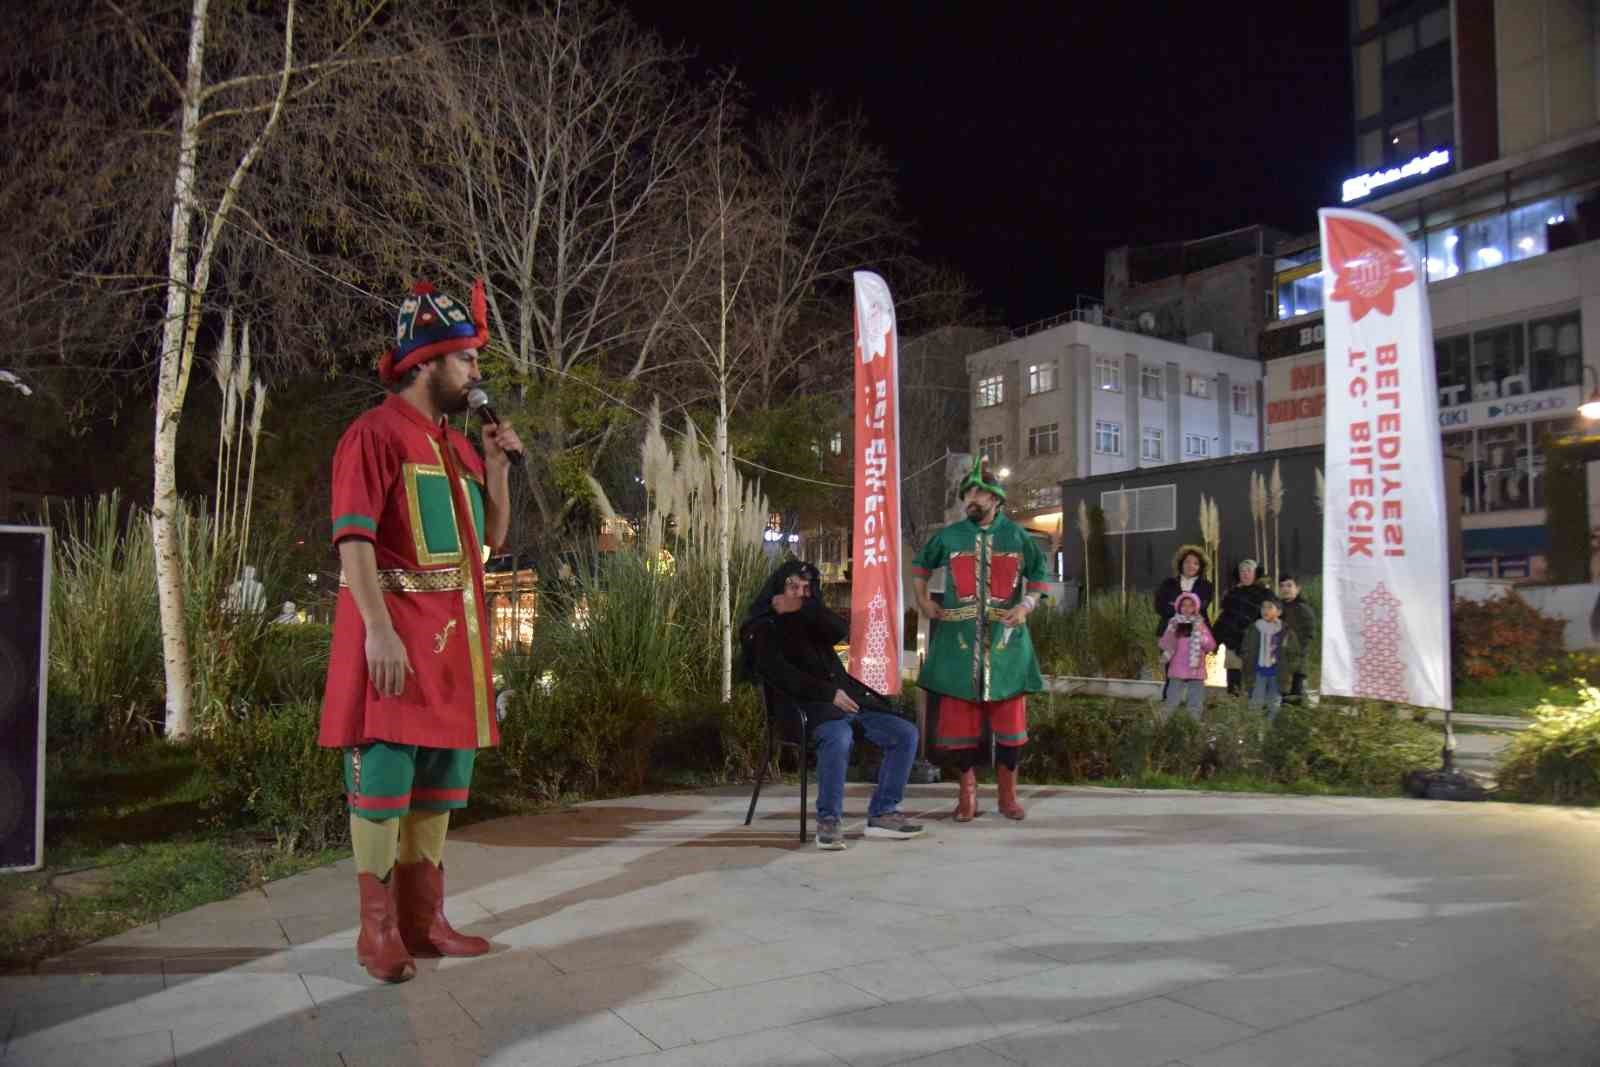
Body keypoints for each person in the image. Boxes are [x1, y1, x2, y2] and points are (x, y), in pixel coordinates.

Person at [318, 278, 523, 984]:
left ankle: (424, 920)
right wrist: (376, 628)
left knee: (438, 785)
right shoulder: (371, 436)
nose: (474, 373)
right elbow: (354, 538)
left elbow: (491, 538)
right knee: (383, 781)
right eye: (465, 359)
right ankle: (375, 932)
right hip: (397, 635)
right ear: (426, 362)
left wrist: (496, 469)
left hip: (453, 648)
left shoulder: (460, 446)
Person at [740, 560, 925, 851]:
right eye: (792, 587)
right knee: (840, 737)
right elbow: (781, 675)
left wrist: (803, 608)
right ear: (777, 588)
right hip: (806, 711)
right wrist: (828, 694)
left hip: (850, 704)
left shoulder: (811, 617)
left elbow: (839, 629)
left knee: (905, 733)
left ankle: (883, 813)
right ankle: (828, 821)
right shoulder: (763, 626)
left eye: (806, 588)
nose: (800, 593)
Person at [912, 456, 1048, 822]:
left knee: (1011, 729)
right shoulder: (950, 535)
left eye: (977, 493)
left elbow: (1038, 576)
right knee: (960, 729)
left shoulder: (1018, 537)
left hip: (1006, 644)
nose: (969, 499)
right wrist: (923, 600)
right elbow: (921, 565)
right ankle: (967, 796)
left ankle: (1008, 796)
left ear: (995, 498)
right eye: (967, 493)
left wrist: (1026, 606)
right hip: (958, 644)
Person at [1214, 559, 1269, 695]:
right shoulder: (1232, 594)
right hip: (1233, 644)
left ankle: (1254, 712)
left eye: (1248, 570)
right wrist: (1214, 640)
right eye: (1242, 571)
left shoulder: (1266, 594)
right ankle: (1233, 709)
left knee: (1255, 682)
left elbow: (1272, 618)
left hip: (1255, 645)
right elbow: (1223, 619)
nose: (1245, 573)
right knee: (1233, 682)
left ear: (1255, 573)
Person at [1158, 591, 1215, 717]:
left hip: (1196, 668)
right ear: (1179, 607)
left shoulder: (1200, 624)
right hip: (1177, 667)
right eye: (1184, 605)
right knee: (1171, 700)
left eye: (1191, 605)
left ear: (1196, 607)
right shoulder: (1174, 623)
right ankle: (1166, 726)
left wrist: (1202, 636)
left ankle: (1193, 728)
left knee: (1195, 702)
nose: (1187, 608)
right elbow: (1164, 644)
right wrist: (1171, 631)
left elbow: (1210, 645)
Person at [1154, 545, 1214, 638]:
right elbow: (1159, 607)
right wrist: (1186, 609)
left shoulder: (1206, 586)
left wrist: (1174, 605)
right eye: (1187, 562)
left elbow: (1200, 607)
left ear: (1201, 567)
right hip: (1169, 634)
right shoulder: (1168, 583)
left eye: (1196, 563)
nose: (1191, 566)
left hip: (1197, 634)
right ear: (1181, 564)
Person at [1242, 596, 1285, 716]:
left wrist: (1288, 667)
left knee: (1274, 704)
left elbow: (1292, 652)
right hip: (1258, 672)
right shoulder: (1254, 628)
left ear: (1279, 612)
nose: (1265, 610)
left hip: (1276, 673)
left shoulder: (1284, 630)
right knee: (1255, 703)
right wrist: (1247, 663)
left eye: (1270, 607)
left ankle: (1270, 731)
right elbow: (1246, 648)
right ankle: (1254, 732)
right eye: (1263, 607)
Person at [1278, 575, 1317, 703]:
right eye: (1282, 586)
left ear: (1297, 588)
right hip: (1278, 665)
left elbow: (1308, 638)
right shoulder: (1276, 609)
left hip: (1296, 666)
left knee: (1293, 702)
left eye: (1289, 585)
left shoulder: (1303, 610)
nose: (1285, 589)